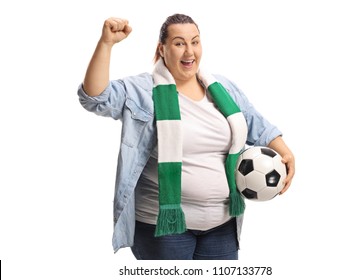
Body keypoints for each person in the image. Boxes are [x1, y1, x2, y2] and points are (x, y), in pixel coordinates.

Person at [78, 14, 295, 260]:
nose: (189, 51)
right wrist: (106, 44)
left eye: (195, 42)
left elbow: (256, 124)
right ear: (162, 48)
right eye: (179, 43)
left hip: (222, 226)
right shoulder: (142, 91)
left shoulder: (223, 89)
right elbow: (95, 98)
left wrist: (284, 151)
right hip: (162, 228)